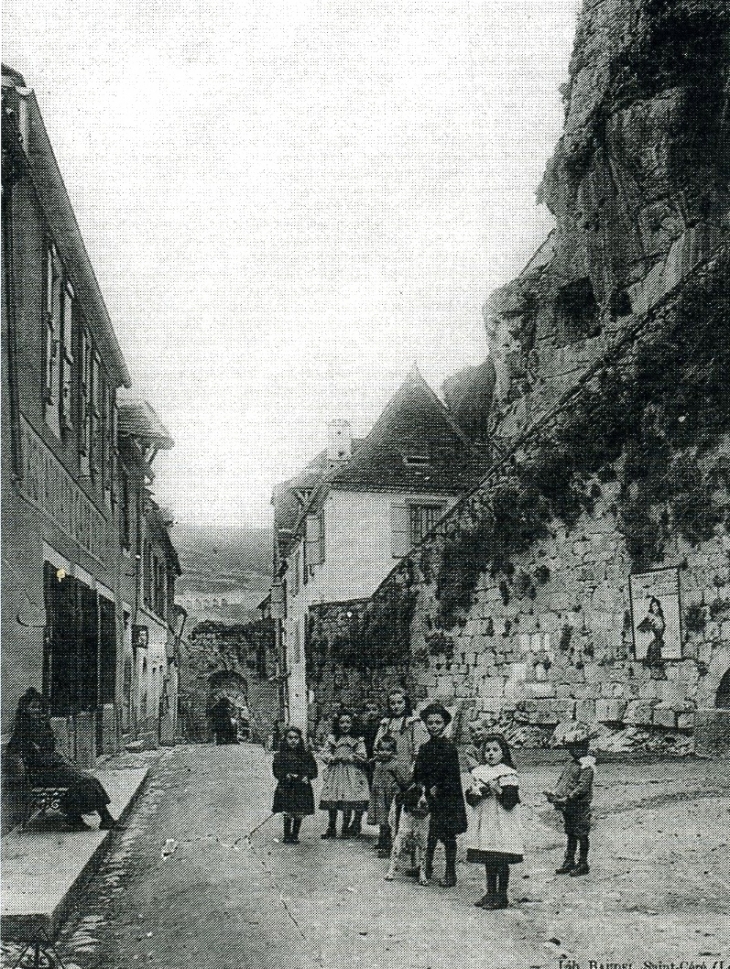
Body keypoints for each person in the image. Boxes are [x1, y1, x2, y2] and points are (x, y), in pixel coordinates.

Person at [6, 688, 116, 831]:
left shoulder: (42, 724)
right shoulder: (22, 728)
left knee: (88, 779)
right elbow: (12, 750)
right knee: (83, 781)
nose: (37, 710)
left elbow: (50, 747)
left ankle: (87, 818)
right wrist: (29, 753)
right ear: (25, 709)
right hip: (40, 773)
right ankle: (84, 818)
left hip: (53, 767)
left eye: (39, 706)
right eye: (33, 707)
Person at [465, 732, 524, 909]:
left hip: (502, 822)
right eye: (487, 750)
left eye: (495, 750)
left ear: (503, 753)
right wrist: (476, 793)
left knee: (501, 858)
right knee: (489, 857)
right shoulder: (480, 772)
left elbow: (510, 801)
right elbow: (470, 798)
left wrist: (498, 789)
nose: (490, 753)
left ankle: (502, 895)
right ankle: (490, 892)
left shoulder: (508, 774)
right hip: (485, 820)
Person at [412, 702, 468, 888]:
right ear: (425, 725)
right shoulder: (424, 748)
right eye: (430, 723)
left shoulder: (449, 748)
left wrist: (440, 787)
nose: (434, 726)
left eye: (438, 722)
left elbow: (452, 776)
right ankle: (425, 868)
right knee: (429, 834)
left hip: (447, 799)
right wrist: (422, 786)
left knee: (448, 835)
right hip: (428, 798)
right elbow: (418, 773)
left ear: (444, 724)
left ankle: (450, 872)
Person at [370, 689, 424, 846]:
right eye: (392, 703)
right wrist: (382, 757)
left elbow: (417, 747)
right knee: (383, 802)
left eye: (399, 702)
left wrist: (413, 769)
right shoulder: (385, 724)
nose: (396, 706)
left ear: (406, 702)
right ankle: (384, 837)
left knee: (400, 803)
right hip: (385, 770)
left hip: (403, 770)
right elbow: (376, 745)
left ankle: (400, 839)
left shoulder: (413, 723)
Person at [544, 723, 596, 876]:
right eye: (572, 747)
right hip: (568, 805)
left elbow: (582, 788)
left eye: (577, 747)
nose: (573, 750)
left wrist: (566, 798)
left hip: (579, 806)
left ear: (585, 746)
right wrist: (554, 793)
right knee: (571, 833)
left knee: (581, 834)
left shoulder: (587, 766)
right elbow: (563, 780)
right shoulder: (571, 763)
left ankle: (583, 862)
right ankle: (569, 860)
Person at [319, 709, 370, 839]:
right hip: (336, 772)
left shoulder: (357, 739)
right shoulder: (333, 738)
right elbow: (325, 752)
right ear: (338, 724)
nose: (345, 725)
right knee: (333, 798)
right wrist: (331, 758)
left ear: (353, 723)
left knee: (349, 798)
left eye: (348, 722)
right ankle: (331, 826)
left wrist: (350, 757)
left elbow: (362, 754)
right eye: (342, 722)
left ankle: (346, 826)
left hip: (352, 772)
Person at [272, 725, 318, 844]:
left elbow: (314, 770)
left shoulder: (306, 755)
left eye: (296, 738)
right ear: (285, 739)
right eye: (290, 738)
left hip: (301, 788)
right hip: (286, 787)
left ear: (300, 739)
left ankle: (295, 834)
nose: (293, 740)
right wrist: (285, 775)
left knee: (299, 811)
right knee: (287, 811)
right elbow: (276, 770)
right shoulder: (280, 755)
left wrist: (306, 776)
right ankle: (287, 835)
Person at [367, 734, 410, 857]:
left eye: (388, 750)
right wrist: (373, 760)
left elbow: (403, 780)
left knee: (389, 821)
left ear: (393, 751)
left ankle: (389, 847)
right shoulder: (378, 763)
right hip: (379, 795)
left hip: (389, 797)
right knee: (382, 820)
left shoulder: (395, 764)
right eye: (381, 750)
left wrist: (397, 790)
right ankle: (382, 841)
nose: (384, 753)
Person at [359, 699, 382, 787]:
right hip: (365, 753)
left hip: (377, 753)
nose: (371, 712)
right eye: (368, 710)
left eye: (374, 710)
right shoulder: (362, 725)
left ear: (379, 711)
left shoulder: (381, 724)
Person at [637, 596, 666, 667]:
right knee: (654, 663)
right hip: (654, 645)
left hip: (658, 643)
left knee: (658, 662)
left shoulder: (660, 616)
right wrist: (650, 626)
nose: (654, 608)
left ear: (659, 606)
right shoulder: (650, 617)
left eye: (656, 605)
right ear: (651, 607)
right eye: (653, 606)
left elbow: (662, 629)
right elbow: (640, 628)